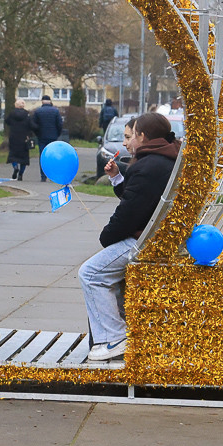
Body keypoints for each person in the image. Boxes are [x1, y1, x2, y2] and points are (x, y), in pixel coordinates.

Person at [79, 112, 181, 362]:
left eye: (130, 135)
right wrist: (117, 176)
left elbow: (130, 211)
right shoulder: (165, 158)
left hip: (143, 239)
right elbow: (138, 197)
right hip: (155, 236)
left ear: (142, 136)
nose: (127, 142)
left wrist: (106, 237)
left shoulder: (149, 165)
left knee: (91, 273)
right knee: (106, 275)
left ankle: (114, 338)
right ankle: (114, 337)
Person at [30, 94, 63, 182]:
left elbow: (33, 125)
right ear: (50, 101)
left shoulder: (38, 111)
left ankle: (43, 176)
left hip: (42, 137)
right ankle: (53, 175)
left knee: (43, 156)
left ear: (42, 101)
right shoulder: (55, 111)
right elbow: (60, 124)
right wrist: (57, 134)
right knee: (53, 156)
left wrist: (38, 133)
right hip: (53, 137)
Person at [4, 98, 32, 180]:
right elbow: (31, 125)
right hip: (24, 138)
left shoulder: (12, 114)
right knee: (24, 158)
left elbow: (7, 121)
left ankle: (15, 167)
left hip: (14, 137)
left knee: (13, 155)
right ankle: (20, 174)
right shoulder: (27, 115)